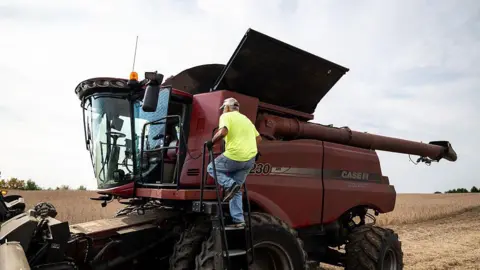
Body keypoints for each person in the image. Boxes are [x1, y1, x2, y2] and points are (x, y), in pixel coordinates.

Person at [206, 97, 262, 227]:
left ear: (227, 107)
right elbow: (258, 139)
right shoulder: (246, 119)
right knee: (237, 189)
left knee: (211, 168)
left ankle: (229, 184)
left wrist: (211, 142)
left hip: (235, 155)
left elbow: (223, 132)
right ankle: (239, 221)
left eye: (223, 108)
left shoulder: (226, 116)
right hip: (250, 159)